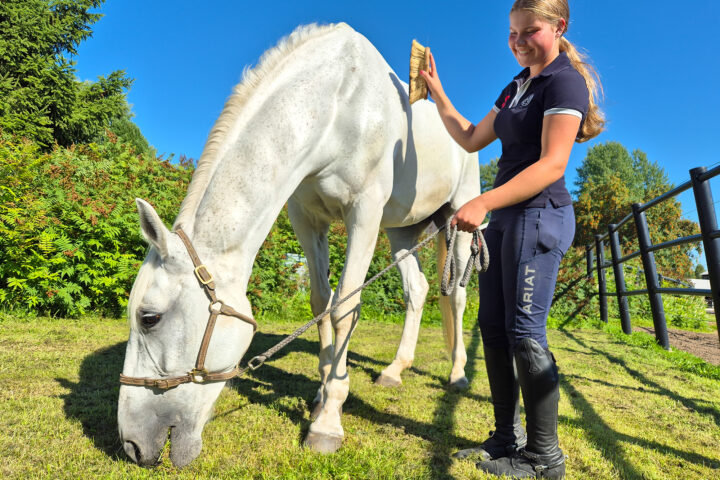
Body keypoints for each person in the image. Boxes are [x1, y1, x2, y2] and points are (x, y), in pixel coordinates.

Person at [419, 0, 604, 478]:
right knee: (495, 330)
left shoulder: (564, 81)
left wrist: (482, 201)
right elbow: (469, 137)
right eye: (512, 33)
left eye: (530, 31)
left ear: (559, 28)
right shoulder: (516, 88)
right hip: (504, 219)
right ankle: (505, 439)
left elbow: (551, 164)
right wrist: (436, 91)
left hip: (540, 215)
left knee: (525, 333)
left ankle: (545, 459)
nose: (519, 41)